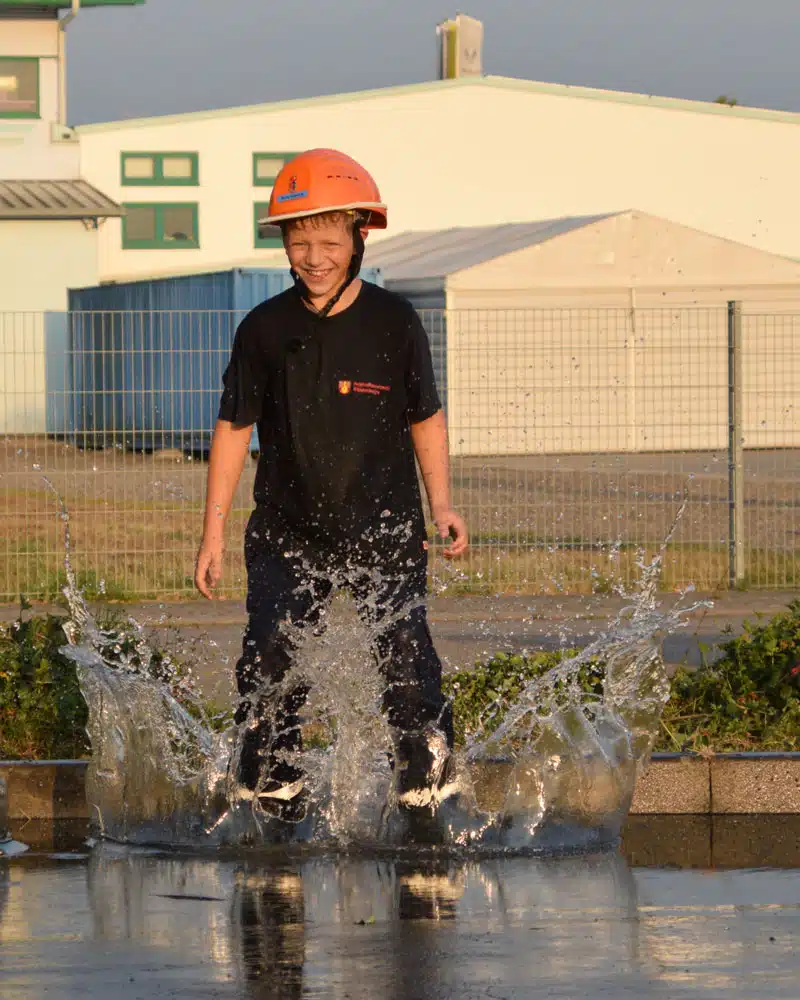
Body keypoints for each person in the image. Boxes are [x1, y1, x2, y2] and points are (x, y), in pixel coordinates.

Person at [195, 148, 468, 826]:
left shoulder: (394, 323)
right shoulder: (263, 329)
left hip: (385, 527)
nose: (313, 256)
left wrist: (443, 505)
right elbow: (234, 427)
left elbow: (424, 416)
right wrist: (213, 533)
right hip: (289, 531)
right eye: (298, 240)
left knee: (406, 666)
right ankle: (276, 788)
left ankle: (426, 784)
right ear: (283, 243)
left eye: (328, 240)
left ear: (357, 239)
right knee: (271, 659)